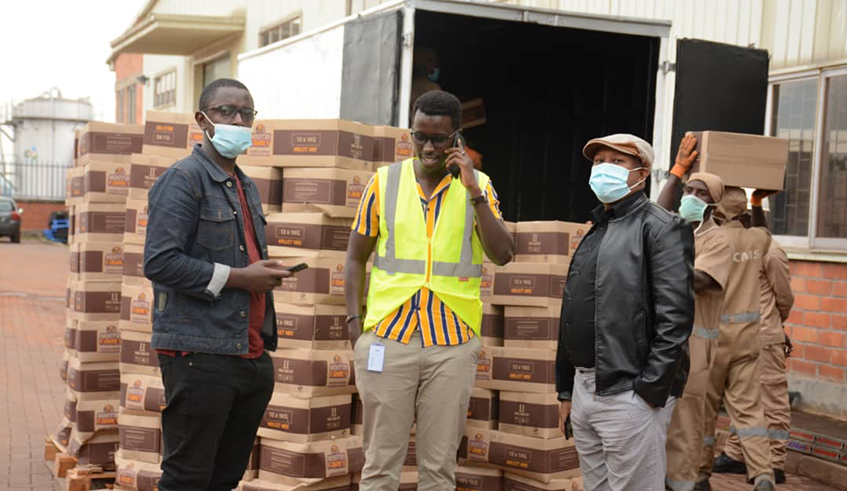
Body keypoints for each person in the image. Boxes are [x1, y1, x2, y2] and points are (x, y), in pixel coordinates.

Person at [345, 90, 514, 491]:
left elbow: (504, 253)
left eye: (439, 138)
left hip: (451, 344)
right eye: (419, 136)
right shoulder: (384, 183)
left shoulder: (480, 186)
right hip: (388, 337)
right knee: (379, 465)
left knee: (438, 470)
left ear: (456, 138)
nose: (428, 147)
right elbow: (355, 258)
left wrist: (473, 189)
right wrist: (355, 327)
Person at [144, 78, 290, 491]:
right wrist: (243, 278)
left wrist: (264, 270)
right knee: (188, 477)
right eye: (227, 112)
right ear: (202, 120)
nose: (238, 120)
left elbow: (237, 256)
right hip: (200, 352)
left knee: (225, 476)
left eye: (247, 113)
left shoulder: (245, 184)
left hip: (249, 352)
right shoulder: (184, 180)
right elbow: (159, 261)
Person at [555, 133, 695, 491]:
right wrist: (566, 391)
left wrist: (648, 392)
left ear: (641, 174)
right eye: (598, 161)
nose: (604, 169)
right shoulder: (597, 229)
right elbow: (572, 310)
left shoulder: (661, 228)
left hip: (628, 393)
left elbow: (675, 319)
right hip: (586, 388)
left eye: (616, 162)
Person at [657, 134, 733, 491]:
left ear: (714, 205)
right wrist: (677, 172)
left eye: (701, 194)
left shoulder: (718, 239)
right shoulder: (674, 229)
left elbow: (700, 280)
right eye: (690, 190)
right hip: (666, 342)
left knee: (686, 421)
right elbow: (657, 213)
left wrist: (659, 264)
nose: (691, 197)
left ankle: (683, 484)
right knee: (662, 418)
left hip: (695, 348)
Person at [698, 187, 776, 491]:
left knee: (706, 411)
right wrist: (757, 201)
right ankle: (763, 474)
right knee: (749, 410)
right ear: (742, 212)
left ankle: (701, 474)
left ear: (717, 211)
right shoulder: (756, 239)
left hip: (714, 338)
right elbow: (764, 231)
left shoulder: (712, 240)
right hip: (748, 339)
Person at [714, 198, 794, 485]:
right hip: (737, 334)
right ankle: (737, 454)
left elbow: (784, 298)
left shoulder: (771, 251)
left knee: (771, 400)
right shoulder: (732, 247)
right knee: (742, 397)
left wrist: (775, 324)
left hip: (763, 335)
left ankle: (773, 462)